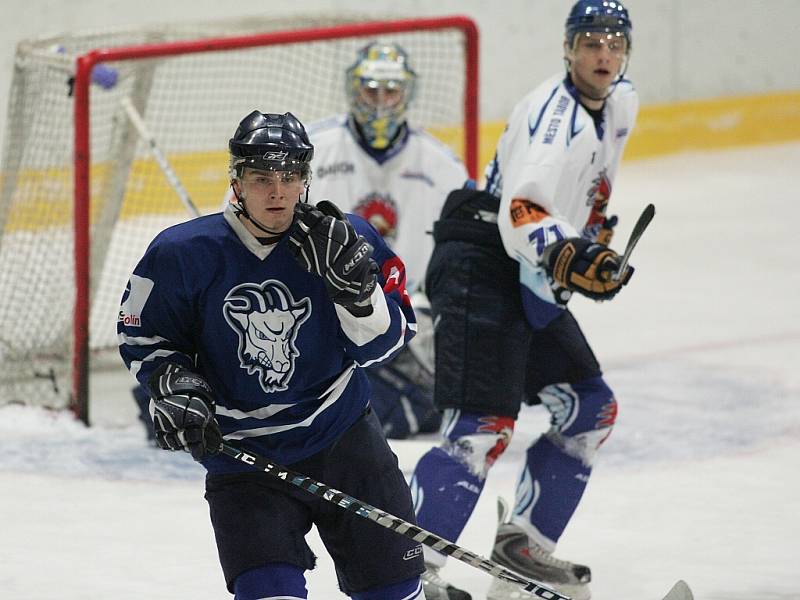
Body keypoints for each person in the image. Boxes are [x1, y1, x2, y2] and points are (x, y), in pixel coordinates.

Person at [118, 110, 426, 600]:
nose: (278, 192)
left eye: (290, 176)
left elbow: (382, 347)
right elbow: (145, 337)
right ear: (237, 181)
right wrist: (174, 385)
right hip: (244, 459)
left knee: (395, 591)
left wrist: (359, 297)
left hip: (343, 440)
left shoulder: (349, 241)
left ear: (306, 178)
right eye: (262, 178)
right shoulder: (182, 253)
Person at [408, 2, 639, 599]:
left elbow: (578, 197)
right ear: (568, 49)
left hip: (526, 273)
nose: (604, 55)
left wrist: (590, 245)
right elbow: (524, 213)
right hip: (482, 260)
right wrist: (572, 254)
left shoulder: (621, 102)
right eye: (591, 42)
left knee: (591, 409)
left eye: (615, 43)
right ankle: (407, 572)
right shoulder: (552, 116)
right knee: (481, 427)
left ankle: (524, 546)